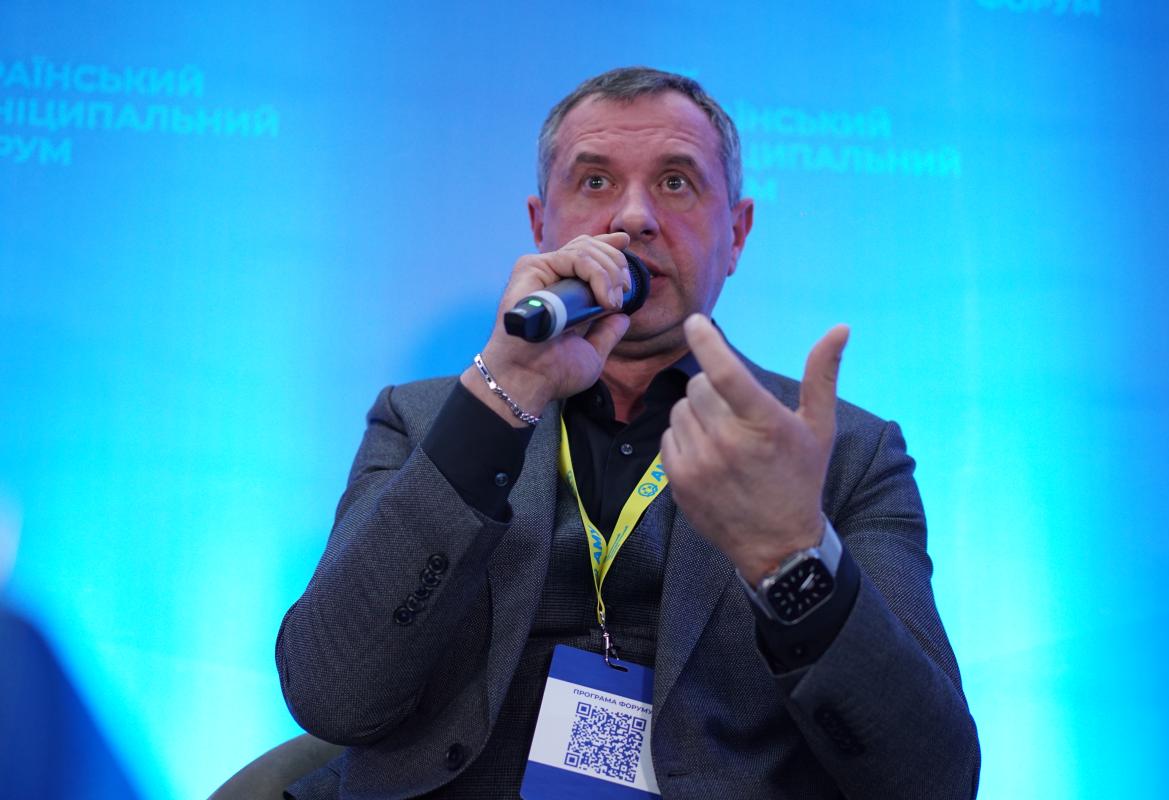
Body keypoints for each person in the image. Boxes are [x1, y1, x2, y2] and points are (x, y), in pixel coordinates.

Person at [276, 66, 980, 799]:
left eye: (676, 182)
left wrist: (793, 557)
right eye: (595, 182)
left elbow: (930, 779)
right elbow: (332, 694)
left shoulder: (841, 455)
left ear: (736, 234)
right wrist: (500, 397)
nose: (635, 216)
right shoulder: (423, 420)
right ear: (540, 225)